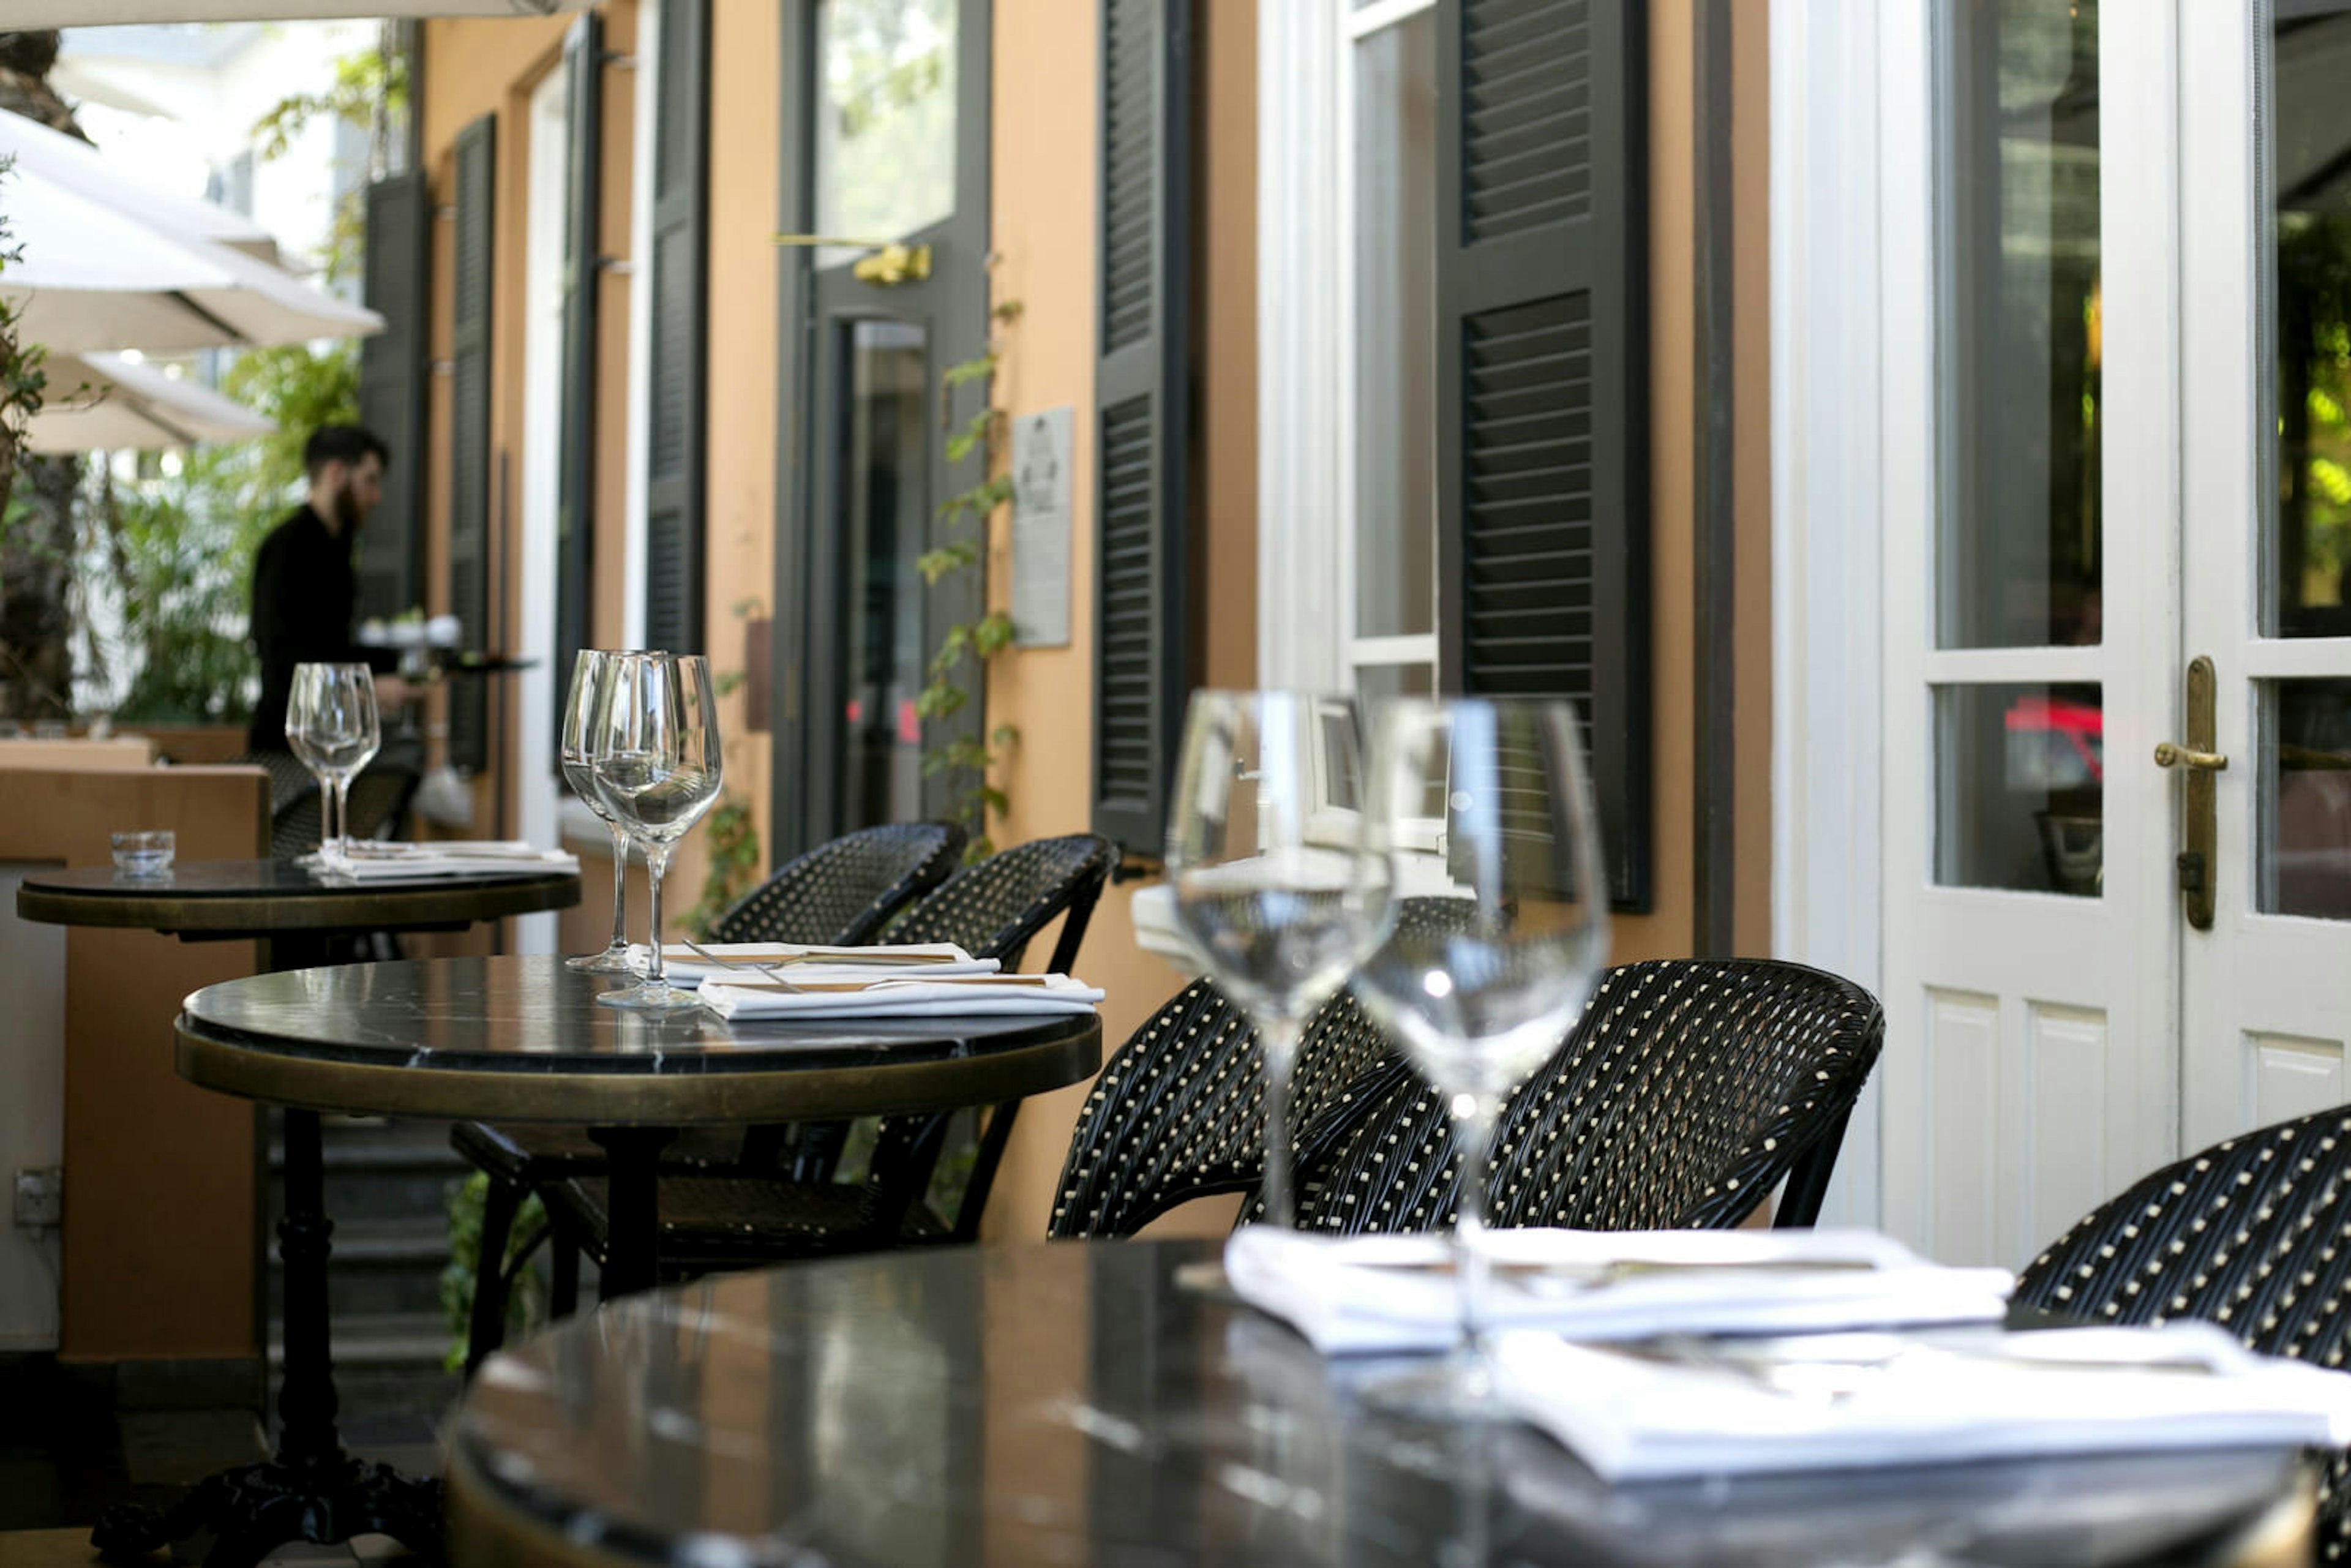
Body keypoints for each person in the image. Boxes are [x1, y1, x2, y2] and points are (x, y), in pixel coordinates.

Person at [246, 425, 413, 750]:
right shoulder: (286, 548)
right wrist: (370, 686)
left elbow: (332, 647)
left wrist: (403, 668)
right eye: (370, 480)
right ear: (336, 473)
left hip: (332, 740)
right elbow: (285, 659)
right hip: (287, 745)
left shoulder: (337, 548)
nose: (375, 497)